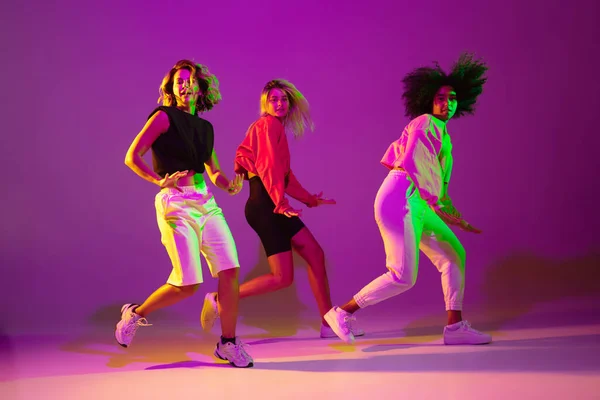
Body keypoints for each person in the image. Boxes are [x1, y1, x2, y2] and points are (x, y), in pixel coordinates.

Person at [324, 54, 493, 345]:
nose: (447, 103)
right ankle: (341, 312)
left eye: (453, 98)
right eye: (440, 97)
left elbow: (437, 185)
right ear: (427, 99)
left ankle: (455, 328)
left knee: (453, 254)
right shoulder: (425, 123)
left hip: (416, 201)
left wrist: (450, 213)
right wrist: (444, 208)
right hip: (401, 195)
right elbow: (416, 164)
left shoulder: (442, 133)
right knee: (403, 276)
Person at [115, 59, 254, 368]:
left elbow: (213, 170)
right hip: (175, 203)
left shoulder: (205, 128)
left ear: (199, 88)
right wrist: (156, 180)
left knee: (230, 269)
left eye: (188, 80)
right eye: (178, 81)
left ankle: (228, 343)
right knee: (188, 283)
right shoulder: (164, 117)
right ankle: (135, 314)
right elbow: (132, 156)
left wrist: (228, 185)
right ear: (171, 88)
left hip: (206, 202)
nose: (183, 85)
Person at [201, 79, 363, 339]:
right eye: (273, 99)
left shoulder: (275, 128)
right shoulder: (267, 124)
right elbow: (267, 168)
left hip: (272, 204)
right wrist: (281, 202)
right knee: (282, 277)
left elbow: (284, 174)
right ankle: (221, 297)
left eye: (283, 99)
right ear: (265, 103)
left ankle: (326, 322)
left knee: (314, 254)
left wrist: (309, 199)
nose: (279, 103)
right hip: (266, 206)